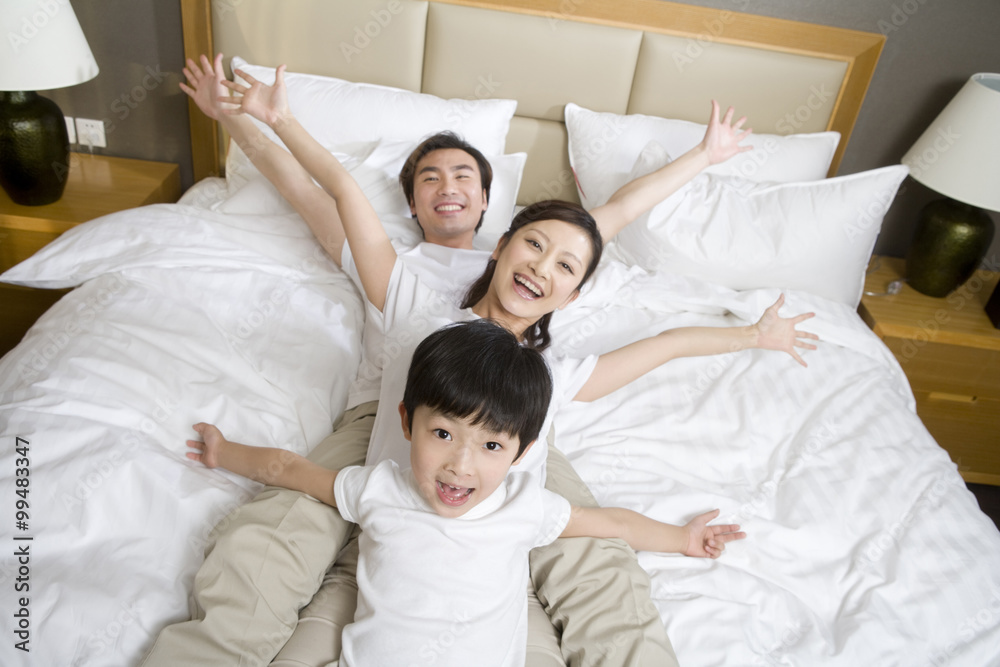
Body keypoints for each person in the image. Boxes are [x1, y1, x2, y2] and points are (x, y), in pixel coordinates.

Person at [142, 53, 791, 667]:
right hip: (388, 419)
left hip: (512, 420)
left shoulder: (543, 301)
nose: (447, 187)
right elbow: (333, 192)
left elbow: (616, 236)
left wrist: (705, 157)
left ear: (490, 209)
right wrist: (252, 117)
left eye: (464, 176)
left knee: (595, 563)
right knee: (280, 538)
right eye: (429, 175)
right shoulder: (409, 287)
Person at [183, 319, 747, 667]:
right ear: (407, 422)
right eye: (444, 433)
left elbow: (615, 525)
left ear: (522, 454)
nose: (460, 465)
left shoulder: (525, 505)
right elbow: (287, 468)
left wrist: (683, 538)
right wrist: (224, 452)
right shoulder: (378, 488)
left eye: (491, 448)